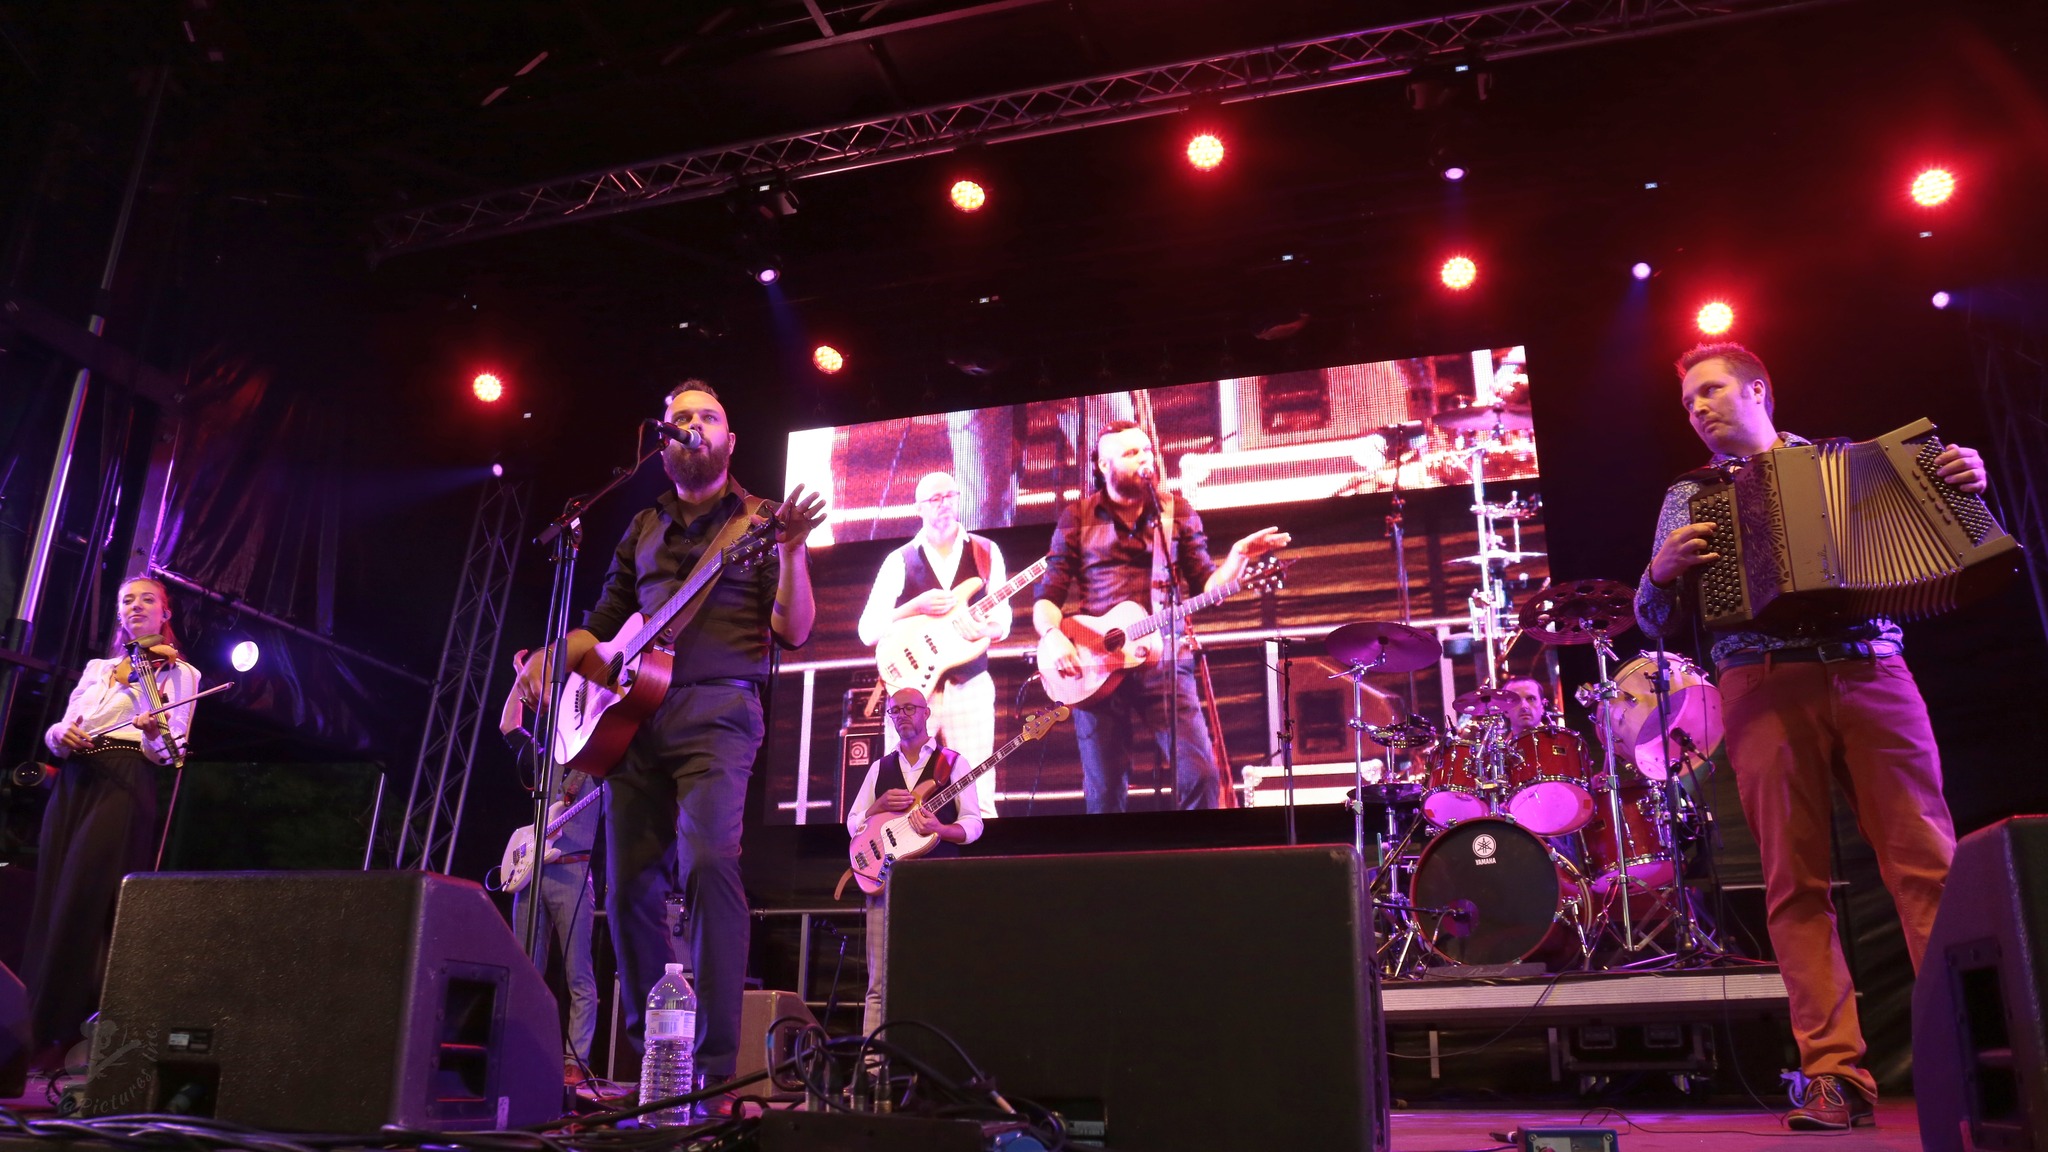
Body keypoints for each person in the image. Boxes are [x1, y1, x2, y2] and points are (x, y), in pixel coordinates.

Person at [1635, 341, 1984, 1131]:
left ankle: (1967, 1050)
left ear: (1758, 389)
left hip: (1872, 670)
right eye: (1690, 403)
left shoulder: (1858, 465)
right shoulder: (1687, 495)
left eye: (1713, 391)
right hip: (1758, 678)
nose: (1700, 410)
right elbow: (1654, 622)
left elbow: (1952, 526)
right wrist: (1657, 575)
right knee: (1795, 884)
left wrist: (1966, 485)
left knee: (1928, 866)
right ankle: (1833, 1074)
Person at [516, 380, 826, 1107]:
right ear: (662, 441)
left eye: (707, 417)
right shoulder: (643, 525)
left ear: (730, 440)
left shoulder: (761, 520)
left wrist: (795, 552)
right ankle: (660, 1058)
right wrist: (554, 657)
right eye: (680, 418)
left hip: (719, 709)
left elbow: (796, 629)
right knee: (625, 888)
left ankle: (718, 1071)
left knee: (711, 859)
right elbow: (607, 626)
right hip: (632, 719)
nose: (692, 425)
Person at [1031, 420, 1288, 813]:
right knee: (1104, 795)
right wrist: (1052, 635)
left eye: (1147, 450)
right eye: (1131, 453)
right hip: (1095, 665)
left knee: (1200, 775)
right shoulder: (1077, 516)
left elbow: (1207, 586)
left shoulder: (1176, 512)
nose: (1144, 459)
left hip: (1164, 659)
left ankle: (1196, 864)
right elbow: (1047, 595)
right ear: (1103, 465)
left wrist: (1237, 557)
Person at [23, 576, 200, 1068]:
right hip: (75, 780)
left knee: (86, 897)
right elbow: (61, 728)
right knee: (54, 894)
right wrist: (64, 735)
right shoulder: (100, 668)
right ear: (120, 614)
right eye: (128, 601)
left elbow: (171, 752)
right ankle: (28, 1025)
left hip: (123, 779)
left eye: (148, 600)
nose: (136, 606)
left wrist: (150, 716)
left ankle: (65, 1031)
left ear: (166, 613)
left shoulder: (179, 672)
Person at [856, 472, 1007, 815]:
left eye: (950, 496)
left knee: (977, 787)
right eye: (935, 499)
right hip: (914, 687)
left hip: (969, 682)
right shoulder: (900, 559)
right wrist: (914, 607)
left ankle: (982, 860)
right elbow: (868, 630)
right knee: (900, 786)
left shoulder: (985, 551)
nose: (944, 505)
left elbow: (1003, 621)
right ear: (918, 508)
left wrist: (986, 628)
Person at [843, 687, 982, 1036]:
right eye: (894, 710)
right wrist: (876, 807)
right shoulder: (880, 768)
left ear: (925, 713)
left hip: (936, 881)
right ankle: (874, 1068)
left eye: (909, 708)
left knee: (935, 972)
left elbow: (973, 824)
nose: (901, 715)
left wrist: (940, 828)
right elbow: (853, 821)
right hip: (885, 881)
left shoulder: (952, 763)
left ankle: (930, 1062)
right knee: (878, 983)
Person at [498, 671, 603, 1086]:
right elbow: (509, 724)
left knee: (579, 976)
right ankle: (522, 1051)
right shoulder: (544, 759)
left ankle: (573, 1063)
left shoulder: (598, 761)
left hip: (574, 872)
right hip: (531, 873)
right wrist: (520, 678)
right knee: (526, 971)